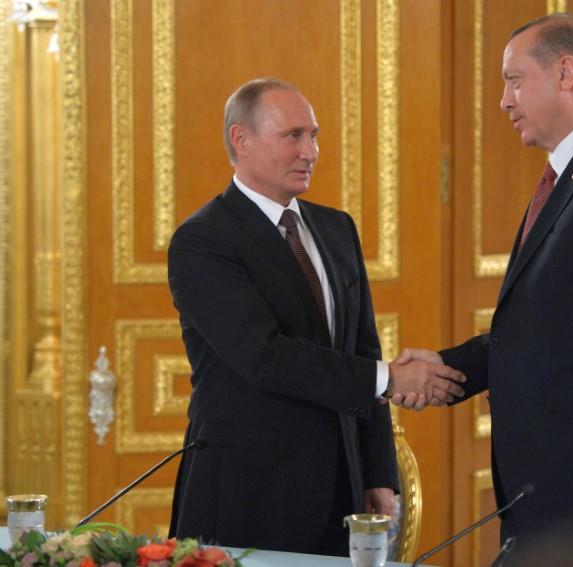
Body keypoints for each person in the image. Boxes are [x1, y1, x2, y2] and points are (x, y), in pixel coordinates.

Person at [394, 14, 573, 566]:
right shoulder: (569, 176)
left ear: (565, 72)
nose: (504, 100)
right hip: (549, 488)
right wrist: (446, 369)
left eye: (513, 80)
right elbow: (548, 329)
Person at [166, 78, 465, 555]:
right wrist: (391, 377)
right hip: (247, 495)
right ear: (240, 140)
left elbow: (363, 350)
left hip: (340, 492)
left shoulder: (336, 228)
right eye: (294, 136)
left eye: (315, 135)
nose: (311, 150)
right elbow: (263, 356)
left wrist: (378, 473)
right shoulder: (203, 241)